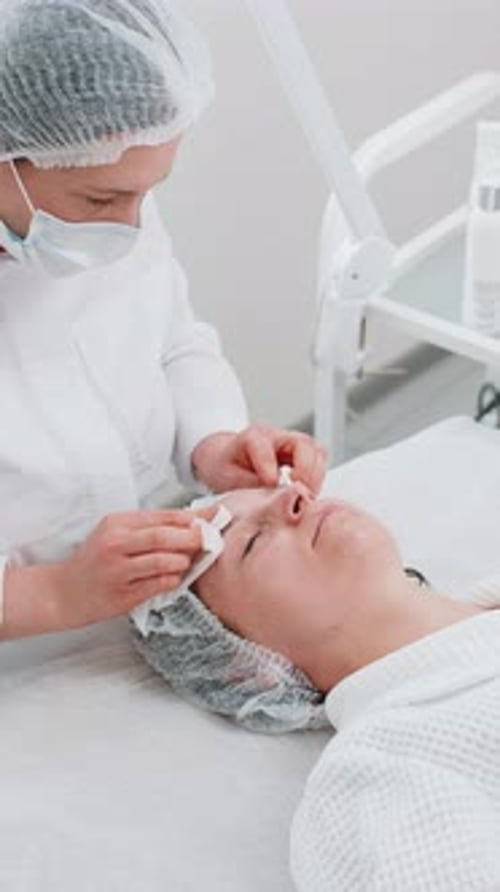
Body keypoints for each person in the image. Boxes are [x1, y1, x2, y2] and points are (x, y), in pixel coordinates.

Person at [0, 0, 327, 641]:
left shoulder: (96, 211)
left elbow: (174, 343)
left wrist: (215, 444)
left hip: (121, 609)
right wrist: (53, 594)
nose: (130, 224)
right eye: (101, 198)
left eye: (147, 192)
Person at [135, 483, 500, 891]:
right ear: (249, 668)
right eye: (251, 543)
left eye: (282, 486)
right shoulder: (380, 777)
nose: (291, 497)